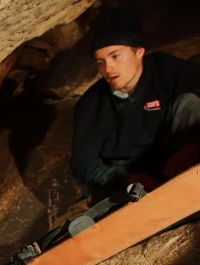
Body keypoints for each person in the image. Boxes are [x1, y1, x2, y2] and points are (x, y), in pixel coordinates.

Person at [71, 6, 200, 202]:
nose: (108, 68)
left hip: (174, 161)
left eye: (115, 56)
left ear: (139, 52)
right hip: (129, 180)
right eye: (100, 62)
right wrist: (123, 179)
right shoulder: (92, 103)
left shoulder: (165, 70)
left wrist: (193, 145)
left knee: (190, 103)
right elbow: (83, 162)